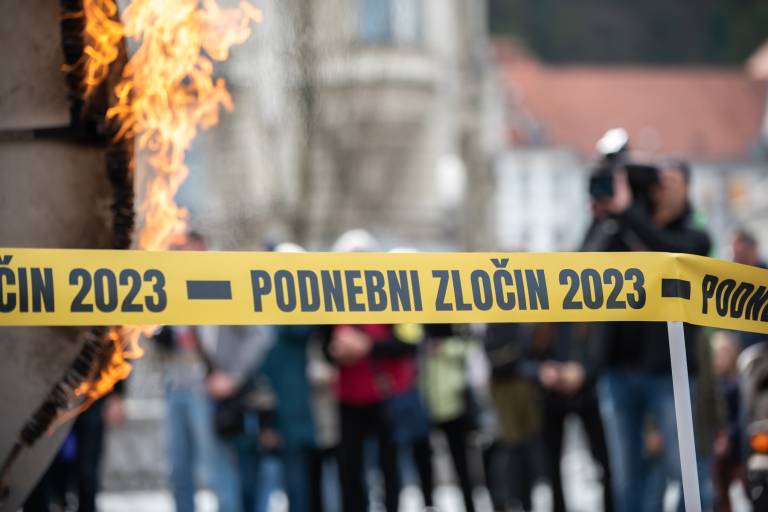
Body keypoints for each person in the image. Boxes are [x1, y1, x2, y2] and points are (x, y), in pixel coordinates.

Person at [584, 160, 711, 512]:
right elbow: (585, 263)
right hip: (618, 369)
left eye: (671, 181)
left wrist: (628, 213)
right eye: (659, 181)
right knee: (627, 474)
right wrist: (606, 215)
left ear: (686, 188)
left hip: (669, 372)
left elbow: (671, 254)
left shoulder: (694, 234)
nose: (662, 188)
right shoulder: (622, 229)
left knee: (683, 467)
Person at [536, 323, 613, 512]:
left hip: (588, 396)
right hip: (552, 398)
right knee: (551, 466)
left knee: (604, 460)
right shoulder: (543, 321)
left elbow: (605, 348)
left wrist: (583, 371)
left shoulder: (589, 321)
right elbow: (526, 356)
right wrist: (543, 371)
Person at [483, 323, 543, 512]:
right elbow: (491, 352)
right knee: (508, 447)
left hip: (521, 382)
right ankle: (505, 500)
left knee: (526, 446)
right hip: (501, 385)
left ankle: (524, 501)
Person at [420, 324, 480, 512]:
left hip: (454, 402)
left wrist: (444, 347)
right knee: (424, 461)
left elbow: (471, 346)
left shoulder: (455, 321)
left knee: (461, 461)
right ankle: (429, 505)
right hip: (426, 403)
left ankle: (470, 506)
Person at [711, 331, 745, 512]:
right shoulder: (710, 386)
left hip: (738, 448)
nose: (721, 358)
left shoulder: (739, 383)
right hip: (715, 449)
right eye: (717, 353)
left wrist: (729, 437)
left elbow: (742, 415)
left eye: (725, 353)